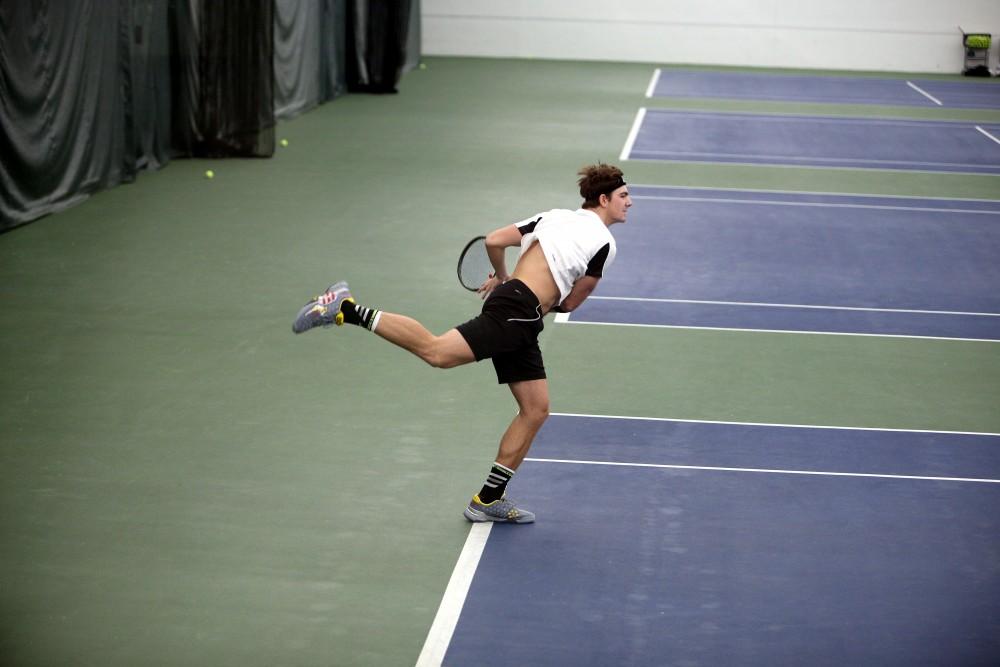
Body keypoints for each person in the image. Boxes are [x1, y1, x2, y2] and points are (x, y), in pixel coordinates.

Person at [292, 164, 631, 523]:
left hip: (519, 311)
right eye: (624, 196)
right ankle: (345, 307)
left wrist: (504, 279)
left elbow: (494, 240)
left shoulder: (554, 216)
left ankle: (488, 499)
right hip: (520, 312)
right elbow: (573, 302)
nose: (630, 203)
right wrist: (536, 296)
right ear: (604, 199)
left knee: (536, 409)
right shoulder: (604, 244)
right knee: (437, 352)